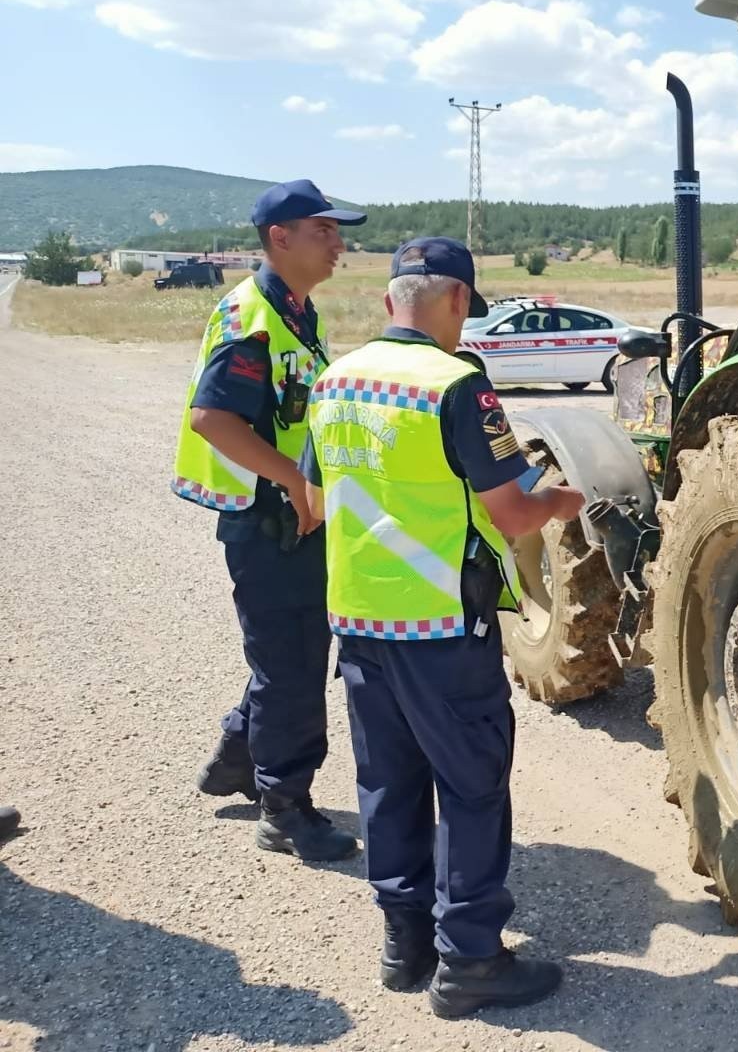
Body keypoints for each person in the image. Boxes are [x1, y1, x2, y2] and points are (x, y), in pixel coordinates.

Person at [303, 237, 585, 1018]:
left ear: (394, 297)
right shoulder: (459, 386)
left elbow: (319, 502)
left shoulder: (335, 380)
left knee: (388, 783)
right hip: (441, 627)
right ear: (456, 300)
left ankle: (405, 944)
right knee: (469, 788)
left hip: (360, 622)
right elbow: (515, 511)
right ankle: (470, 961)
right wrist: (564, 503)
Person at [175, 179, 365, 863]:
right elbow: (212, 417)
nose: (338, 242)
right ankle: (285, 809)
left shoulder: (291, 312)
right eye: (324, 230)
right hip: (268, 524)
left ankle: (237, 755)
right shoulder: (253, 317)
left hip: (290, 522)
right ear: (279, 238)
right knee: (292, 667)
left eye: (337, 231)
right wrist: (291, 480)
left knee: (285, 656)